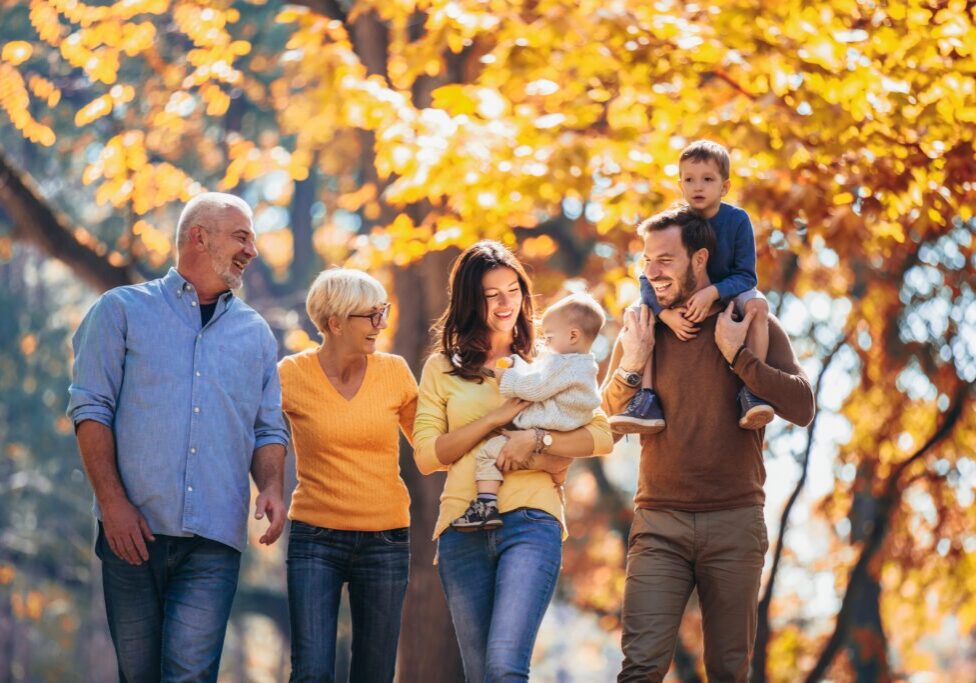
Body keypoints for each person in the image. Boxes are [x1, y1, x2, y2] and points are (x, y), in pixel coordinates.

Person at [67, 192, 289, 682]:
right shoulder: (120, 310)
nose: (252, 251)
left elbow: (267, 427)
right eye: (242, 237)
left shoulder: (255, 334)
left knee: (189, 675)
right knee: (140, 675)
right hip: (131, 533)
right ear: (200, 236)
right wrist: (112, 503)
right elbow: (89, 408)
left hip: (213, 539)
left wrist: (271, 486)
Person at [602, 204, 815, 682]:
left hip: (735, 522)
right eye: (646, 260)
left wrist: (739, 356)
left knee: (728, 670)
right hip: (659, 522)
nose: (651, 273)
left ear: (700, 259)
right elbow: (604, 425)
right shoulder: (643, 327)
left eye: (665, 260)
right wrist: (633, 364)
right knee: (640, 669)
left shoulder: (749, 321)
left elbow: (802, 408)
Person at [413, 241, 613, 681]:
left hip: (530, 522)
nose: (507, 303)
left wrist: (537, 439)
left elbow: (601, 435)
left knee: (505, 668)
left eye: (514, 290)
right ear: (470, 300)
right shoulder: (441, 369)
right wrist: (499, 417)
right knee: (481, 673)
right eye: (492, 295)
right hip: (461, 529)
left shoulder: (552, 359)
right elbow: (428, 456)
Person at [278, 268, 417, 682]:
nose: (382, 323)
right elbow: (256, 432)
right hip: (315, 538)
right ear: (334, 322)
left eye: (383, 312)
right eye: (370, 315)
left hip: (386, 540)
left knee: (374, 674)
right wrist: (266, 488)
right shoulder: (291, 375)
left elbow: (432, 447)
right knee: (312, 672)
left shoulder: (394, 372)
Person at [610, 139, 774, 434]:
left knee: (758, 305)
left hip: (728, 294)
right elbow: (649, 275)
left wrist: (713, 292)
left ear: (724, 187)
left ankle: (752, 390)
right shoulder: (677, 222)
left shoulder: (737, 221)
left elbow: (747, 276)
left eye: (708, 179)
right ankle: (646, 399)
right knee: (639, 315)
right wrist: (663, 313)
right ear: (680, 184)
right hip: (676, 298)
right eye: (689, 180)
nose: (698, 187)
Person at [451, 293, 605, 531]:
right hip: (564, 430)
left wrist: (506, 377)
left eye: (550, 336)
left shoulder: (561, 363)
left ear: (573, 335)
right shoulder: (583, 364)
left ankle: (485, 506)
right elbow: (539, 375)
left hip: (550, 424)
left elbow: (535, 387)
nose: (546, 342)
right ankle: (556, 482)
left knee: (488, 453)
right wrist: (518, 365)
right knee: (552, 467)